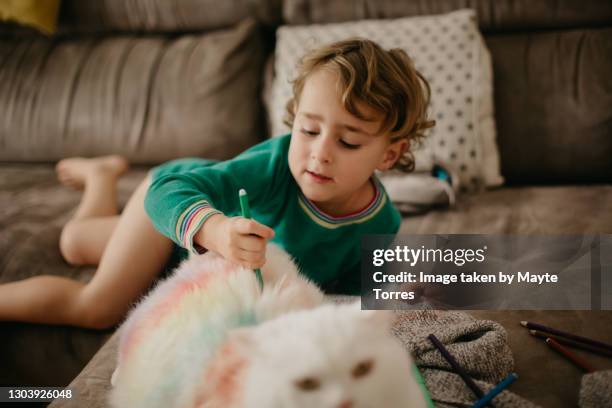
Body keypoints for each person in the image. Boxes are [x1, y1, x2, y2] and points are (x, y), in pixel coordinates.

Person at [0, 38, 434, 329]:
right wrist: (215, 230)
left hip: (184, 247)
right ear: (294, 117)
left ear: (389, 154)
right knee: (97, 307)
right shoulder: (273, 166)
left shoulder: (382, 222)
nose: (320, 152)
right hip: (179, 204)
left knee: (75, 241)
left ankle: (101, 176)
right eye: (308, 129)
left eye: (348, 141)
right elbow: (167, 194)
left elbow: (343, 295)